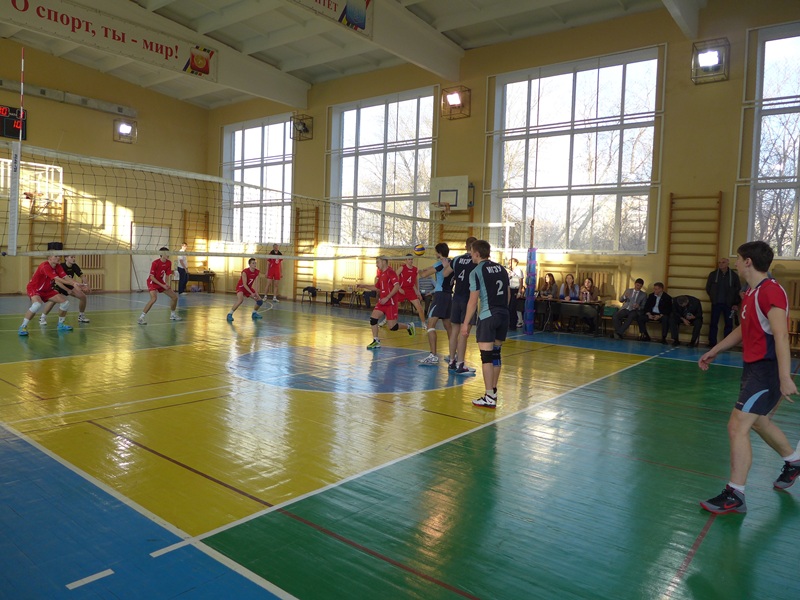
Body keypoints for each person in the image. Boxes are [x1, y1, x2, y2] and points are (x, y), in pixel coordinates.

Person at [698, 241, 800, 514]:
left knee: (737, 426)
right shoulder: (752, 293)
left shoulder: (771, 292)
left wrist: (785, 377)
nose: (734, 262)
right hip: (753, 369)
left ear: (748, 262)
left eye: (738, 258)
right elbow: (743, 330)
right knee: (759, 422)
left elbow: (781, 335)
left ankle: (735, 494)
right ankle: (794, 460)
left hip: (766, 371)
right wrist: (715, 350)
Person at [462, 240, 510, 408]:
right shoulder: (502, 269)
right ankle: (493, 392)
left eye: (471, 252)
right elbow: (508, 294)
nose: (470, 254)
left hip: (488, 315)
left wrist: (465, 323)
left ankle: (489, 396)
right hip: (503, 314)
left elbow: (472, 301)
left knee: (486, 357)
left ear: (477, 254)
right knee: (496, 354)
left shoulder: (476, 271)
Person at [18, 254, 76, 336]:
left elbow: (66, 277)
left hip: (47, 289)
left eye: (59, 256)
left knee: (65, 302)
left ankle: (61, 324)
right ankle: (23, 326)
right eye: (56, 256)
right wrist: (72, 283)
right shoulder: (45, 266)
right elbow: (57, 279)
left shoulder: (58, 266)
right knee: (37, 305)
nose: (58, 258)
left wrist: (77, 283)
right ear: (49, 258)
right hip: (35, 289)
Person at [365, 257, 415, 349]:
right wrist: (363, 286)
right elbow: (376, 287)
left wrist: (387, 297)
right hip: (382, 302)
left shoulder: (390, 272)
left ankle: (409, 326)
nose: (376, 264)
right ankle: (376, 341)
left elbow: (397, 286)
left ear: (384, 262)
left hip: (390, 302)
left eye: (378, 262)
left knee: (392, 327)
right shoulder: (381, 274)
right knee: (373, 319)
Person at [418, 243, 453, 366]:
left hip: (440, 296)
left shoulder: (440, 264)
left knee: (430, 325)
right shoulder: (451, 263)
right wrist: (425, 269)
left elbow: (424, 275)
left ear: (439, 252)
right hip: (448, 296)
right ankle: (453, 355)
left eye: (435, 252)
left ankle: (433, 355)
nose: (435, 253)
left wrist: (418, 271)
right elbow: (430, 268)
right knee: (448, 327)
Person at [448, 237, 478, 375]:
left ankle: (452, 361)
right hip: (468, 300)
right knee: (464, 333)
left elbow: (445, 273)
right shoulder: (476, 261)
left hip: (456, 298)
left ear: (465, 246)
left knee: (454, 331)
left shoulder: (456, 259)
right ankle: (460, 364)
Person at [39, 255, 91, 325]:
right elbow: (58, 281)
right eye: (71, 257)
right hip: (59, 285)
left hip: (69, 284)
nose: (74, 258)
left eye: (74, 257)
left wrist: (87, 286)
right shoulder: (61, 266)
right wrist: (67, 289)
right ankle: (42, 318)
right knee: (53, 301)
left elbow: (82, 276)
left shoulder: (74, 266)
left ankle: (81, 316)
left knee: (83, 297)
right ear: (66, 258)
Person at [138, 247, 181, 325]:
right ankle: (141, 318)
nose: (168, 254)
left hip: (160, 282)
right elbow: (151, 277)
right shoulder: (155, 263)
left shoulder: (169, 262)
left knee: (174, 297)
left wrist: (166, 283)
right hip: (152, 281)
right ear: (162, 254)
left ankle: (172, 315)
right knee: (154, 298)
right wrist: (162, 285)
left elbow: (167, 275)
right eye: (166, 253)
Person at [706, 257, 742, 346]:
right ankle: (712, 343)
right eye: (719, 262)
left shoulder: (733, 276)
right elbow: (708, 288)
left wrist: (735, 303)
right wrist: (713, 298)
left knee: (729, 325)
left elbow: (738, 290)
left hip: (729, 305)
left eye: (723, 262)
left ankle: (727, 344)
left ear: (727, 264)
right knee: (713, 324)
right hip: (716, 303)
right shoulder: (713, 275)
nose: (721, 264)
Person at [397, 254, 427, 329]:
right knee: (394, 306)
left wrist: (418, 292)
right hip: (402, 289)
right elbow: (393, 277)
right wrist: (398, 288)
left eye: (411, 259)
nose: (411, 261)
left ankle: (423, 324)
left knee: (419, 307)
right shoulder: (402, 268)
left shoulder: (415, 269)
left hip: (410, 290)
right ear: (406, 260)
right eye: (409, 259)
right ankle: (386, 320)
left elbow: (414, 282)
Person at [507, 257, 525, 329]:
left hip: (515, 289)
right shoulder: (509, 271)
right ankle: (509, 323)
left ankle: (513, 324)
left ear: (515, 263)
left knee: (513, 308)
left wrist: (519, 292)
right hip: (509, 289)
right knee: (509, 307)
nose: (509, 264)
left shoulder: (518, 270)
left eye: (511, 262)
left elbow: (521, 281)